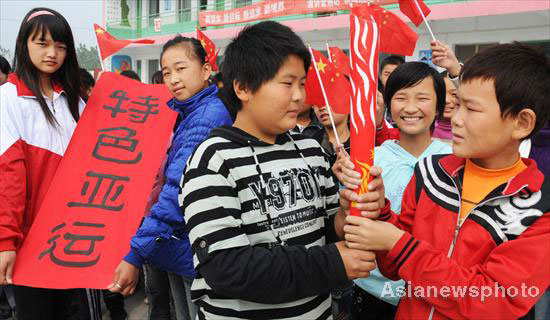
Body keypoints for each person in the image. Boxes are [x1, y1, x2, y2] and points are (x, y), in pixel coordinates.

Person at [180, 20, 376, 320]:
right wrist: (333, 262)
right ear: (243, 87)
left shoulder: (311, 149)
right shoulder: (212, 160)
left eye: (301, 83)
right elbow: (226, 267)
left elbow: (326, 230)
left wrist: (344, 216)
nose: (299, 96)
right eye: (287, 83)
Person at [338, 42, 550, 319]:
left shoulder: (538, 207)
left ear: (522, 123)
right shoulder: (431, 172)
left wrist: (398, 243)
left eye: (471, 109)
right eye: (457, 104)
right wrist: (379, 212)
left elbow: (493, 300)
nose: (456, 119)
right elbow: (392, 266)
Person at [109, 35, 233, 320]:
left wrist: (136, 252)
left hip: (196, 248)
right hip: (182, 246)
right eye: (167, 73)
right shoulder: (189, 112)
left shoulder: (206, 117)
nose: (174, 79)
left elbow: (177, 189)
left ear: (205, 70)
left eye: (181, 68)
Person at [0, 7, 88, 320]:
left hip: (73, 237)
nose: (52, 53)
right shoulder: (7, 99)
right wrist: (5, 240)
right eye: (42, 43)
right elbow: (8, 176)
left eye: (61, 46)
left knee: (70, 313)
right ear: (24, 43)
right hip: (30, 241)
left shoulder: (74, 100)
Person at [349, 62, 451, 319]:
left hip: (435, 295)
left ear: (439, 106)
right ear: (389, 105)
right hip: (374, 292)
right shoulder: (369, 161)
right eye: (401, 97)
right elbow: (349, 225)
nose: (410, 108)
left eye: (423, 98)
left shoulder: (455, 159)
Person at [432, 71, 458, 144]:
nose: (446, 100)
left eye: (454, 94)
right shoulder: (423, 129)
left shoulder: (474, 131)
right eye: (441, 94)